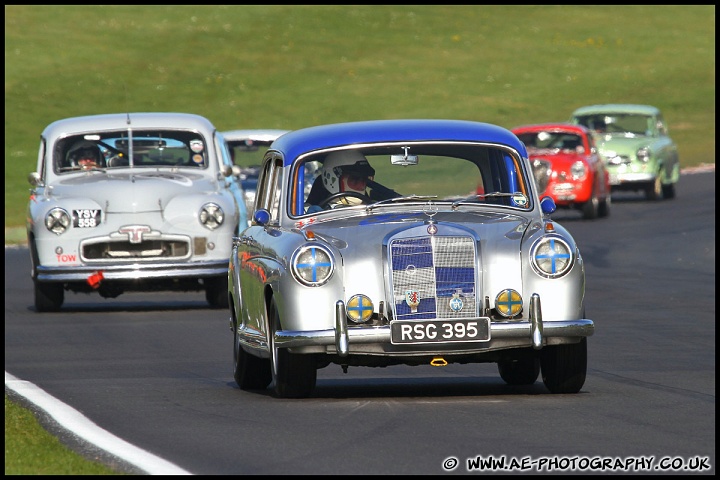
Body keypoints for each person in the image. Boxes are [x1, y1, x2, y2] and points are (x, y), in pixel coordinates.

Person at [306, 150, 377, 210]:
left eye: (364, 180)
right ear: (333, 179)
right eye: (355, 179)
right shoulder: (315, 213)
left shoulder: (374, 208)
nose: (361, 186)